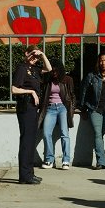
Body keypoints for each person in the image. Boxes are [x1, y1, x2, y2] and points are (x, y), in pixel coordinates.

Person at [12, 45, 52, 184]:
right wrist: (31, 92)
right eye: (32, 55)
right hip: (25, 107)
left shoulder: (34, 69)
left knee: (30, 142)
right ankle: (24, 175)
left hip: (33, 108)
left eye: (36, 57)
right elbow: (14, 89)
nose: (34, 59)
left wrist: (42, 55)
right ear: (26, 53)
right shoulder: (21, 68)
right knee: (26, 142)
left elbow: (49, 69)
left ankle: (29, 173)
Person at [38, 59, 76, 170]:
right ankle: (49, 160)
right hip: (50, 109)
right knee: (46, 133)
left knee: (65, 134)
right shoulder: (47, 80)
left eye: (56, 71)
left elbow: (72, 96)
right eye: (52, 71)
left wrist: (71, 111)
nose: (54, 73)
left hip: (63, 108)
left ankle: (66, 160)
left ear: (60, 70)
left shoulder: (67, 80)